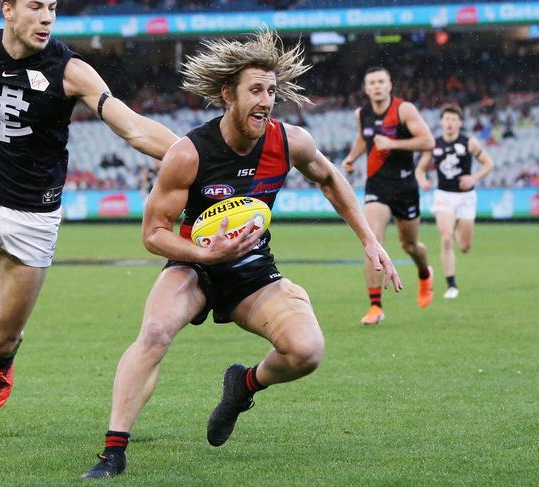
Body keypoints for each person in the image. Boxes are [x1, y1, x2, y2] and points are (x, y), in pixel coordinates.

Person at [82, 31, 402, 479]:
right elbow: (153, 234)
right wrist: (204, 254)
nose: (267, 100)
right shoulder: (189, 152)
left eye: (272, 91)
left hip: (252, 270)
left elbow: (330, 178)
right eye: (256, 90)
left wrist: (370, 240)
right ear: (226, 94)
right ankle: (112, 452)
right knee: (154, 333)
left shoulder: (290, 141)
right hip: (194, 265)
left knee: (307, 350)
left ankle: (242, 386)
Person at [0, 0, 178, 411]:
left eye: (53, 8)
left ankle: (2, 362)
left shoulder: (69, 70)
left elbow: (131, 127)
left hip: (34, 217)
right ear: (8, 9)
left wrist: (197, 158)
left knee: (2, 334)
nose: (46, 18)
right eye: (35, 7)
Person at [341, 66, 435, 325]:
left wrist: (393, 144)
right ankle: (375, 307)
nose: (377, 86)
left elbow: (428, 142)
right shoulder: (362, 114)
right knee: (373, 242)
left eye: (381, 81)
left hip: (405, 187)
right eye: (372, 83)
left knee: (410, 245)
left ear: (390, 84)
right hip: (377, 187)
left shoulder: (404, 110)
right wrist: (351, 158)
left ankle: (425, 273)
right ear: (366, 87)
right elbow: (364, 138)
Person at [415, 104, 494, 299]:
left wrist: (473, 178)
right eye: (446, 119)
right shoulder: (434, 144)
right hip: (444, 196)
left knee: (464, 246)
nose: (450, 123)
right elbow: (420, 169)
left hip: (466, 198)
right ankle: (451, 285)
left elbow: (489, 164)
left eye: (453, 119)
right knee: (446, 237)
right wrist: (423, 181)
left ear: (460, 123)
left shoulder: (470, 142)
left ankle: (458, 225)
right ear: (441, 122)